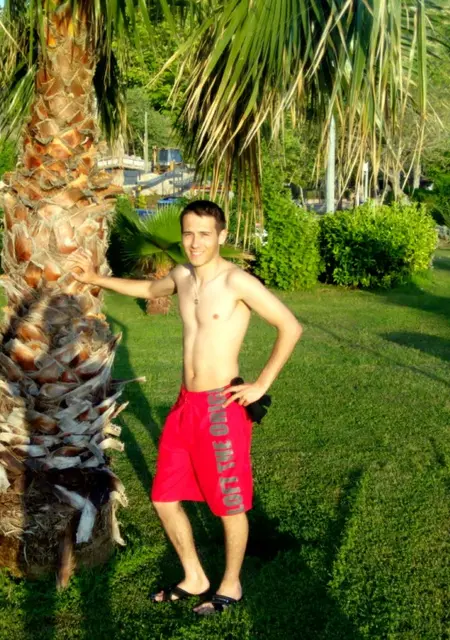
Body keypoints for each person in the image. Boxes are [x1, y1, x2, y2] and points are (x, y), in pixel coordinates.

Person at [68, 200, 302, 615]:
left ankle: (231, 584)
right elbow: (148, 290)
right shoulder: (182, 275)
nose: (195, 242)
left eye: (204, 234)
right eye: (189, 233)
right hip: (184, 404)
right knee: (164, 496)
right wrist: (94, 278)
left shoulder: (237, 282)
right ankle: (194, 576)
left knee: (228, 504)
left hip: (221, 408)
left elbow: (290, 326)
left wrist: (261, 384)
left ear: (221, 236)